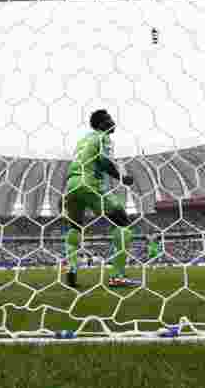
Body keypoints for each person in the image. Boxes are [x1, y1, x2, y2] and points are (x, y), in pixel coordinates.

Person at [62, 109, 138, 289]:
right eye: (109, 119)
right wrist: (122, 178)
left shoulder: (82, 140)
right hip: (91, 184)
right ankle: (117, 276)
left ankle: (71, 268)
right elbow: (103, 160)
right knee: (122, 223)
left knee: (75, 227)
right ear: (102, 123)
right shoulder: (103, 137)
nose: (113, 121)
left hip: (71, 185)